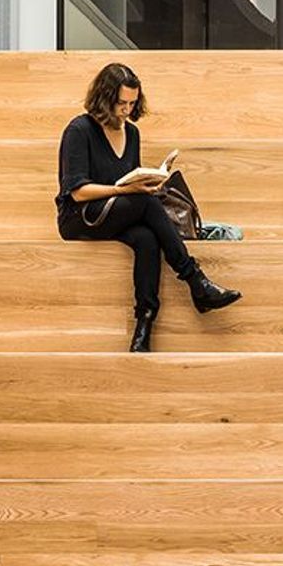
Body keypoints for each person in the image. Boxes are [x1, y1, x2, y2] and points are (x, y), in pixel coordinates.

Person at [55, 61, 241, 352]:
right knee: (144, 203)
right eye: (120, 103)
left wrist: (148, 182)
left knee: (147, 238)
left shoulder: (132, 133)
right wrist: (126, 190)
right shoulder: (79, 130)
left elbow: (130, 183)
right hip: (81, 217)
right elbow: (77, 192)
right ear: (104, 98)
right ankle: (195, 281)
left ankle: (144, 326)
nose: (126, 110)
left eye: (132, 102)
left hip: (117, 214)